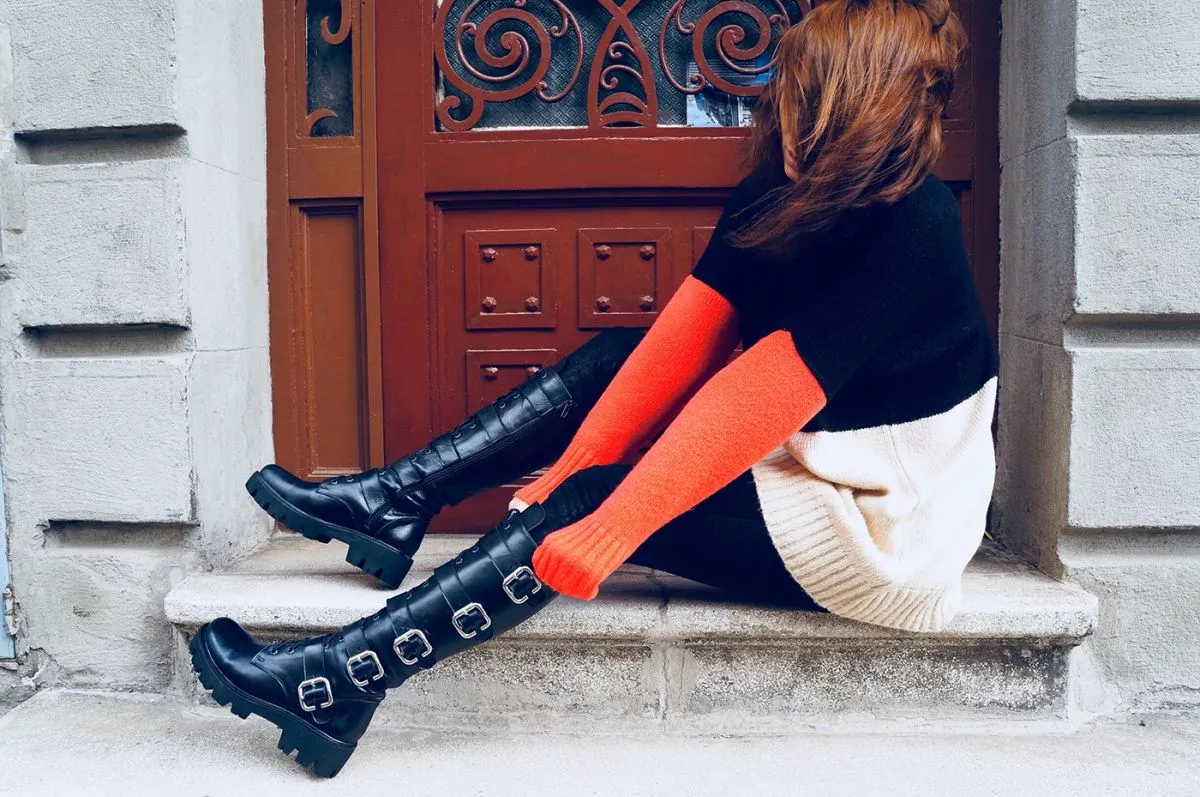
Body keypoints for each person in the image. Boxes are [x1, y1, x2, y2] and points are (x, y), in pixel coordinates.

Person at [190, 0, 994, 778]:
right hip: (807, 464)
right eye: (789, 92)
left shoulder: (914, 222)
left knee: (594, 505)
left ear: (859, 111)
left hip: (880, 525)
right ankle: (397, 500)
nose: (782, 111)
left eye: (806, 98)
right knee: (617, 359)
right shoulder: (778, 191)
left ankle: (340, 681)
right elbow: (680, 345)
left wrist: (604, 519)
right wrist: (575, 467)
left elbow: (758, 395)